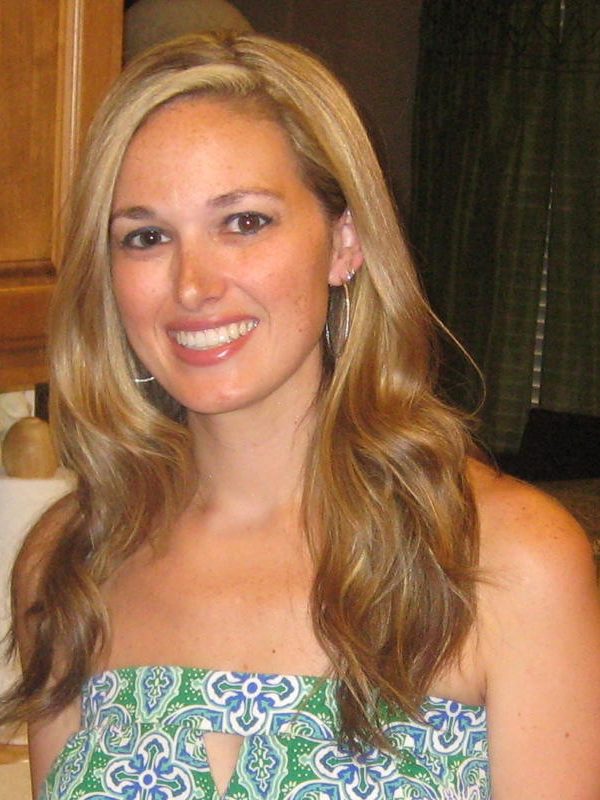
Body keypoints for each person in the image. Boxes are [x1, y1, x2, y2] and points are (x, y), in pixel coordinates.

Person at [1, 31, 599, 800]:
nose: (193, 285)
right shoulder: (71, 561)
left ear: (345, 241)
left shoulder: (507, 561)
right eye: (146, 237)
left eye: (244, 222)